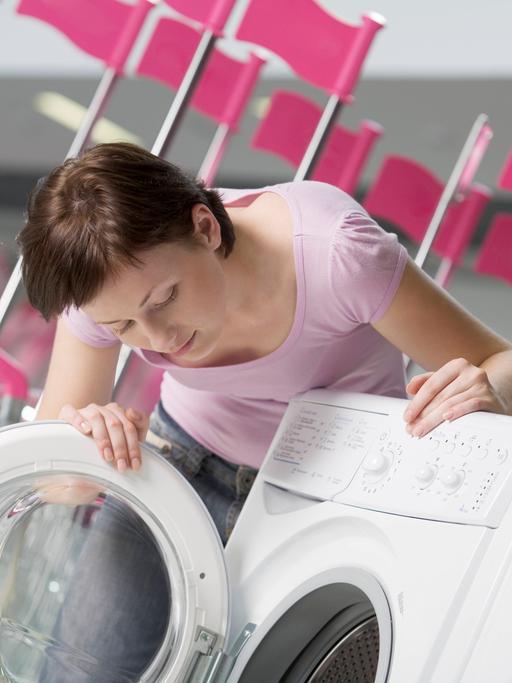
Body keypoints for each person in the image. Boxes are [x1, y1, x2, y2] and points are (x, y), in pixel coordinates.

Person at [18, 142, 512, 681]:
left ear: (206, 227)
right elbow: (61, 487)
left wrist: (486, 388)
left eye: (165, 299)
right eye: (124, 328)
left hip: (338, 494)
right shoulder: (102, 288)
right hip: (181, 468)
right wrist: (92, 443)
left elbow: (498, 359)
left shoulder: (336, 254)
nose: (159, 339)